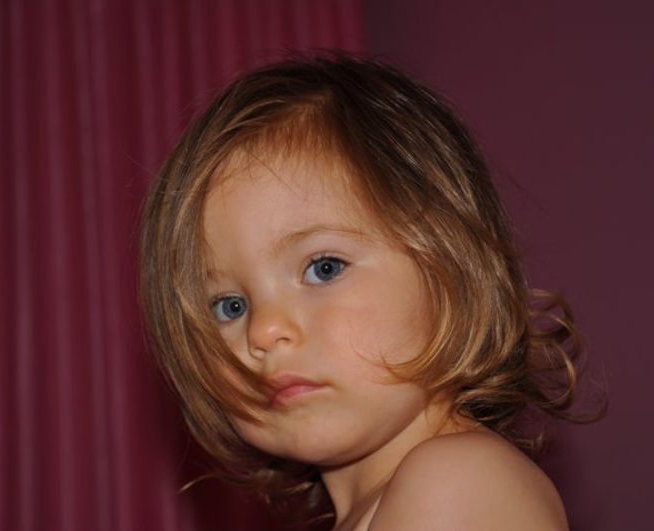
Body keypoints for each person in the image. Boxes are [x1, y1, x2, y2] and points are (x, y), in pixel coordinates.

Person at [139, 52, 597, 530]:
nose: (264, 330)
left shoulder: (457, 481)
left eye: (324, 268)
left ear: (453, 269)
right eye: (229, 306)